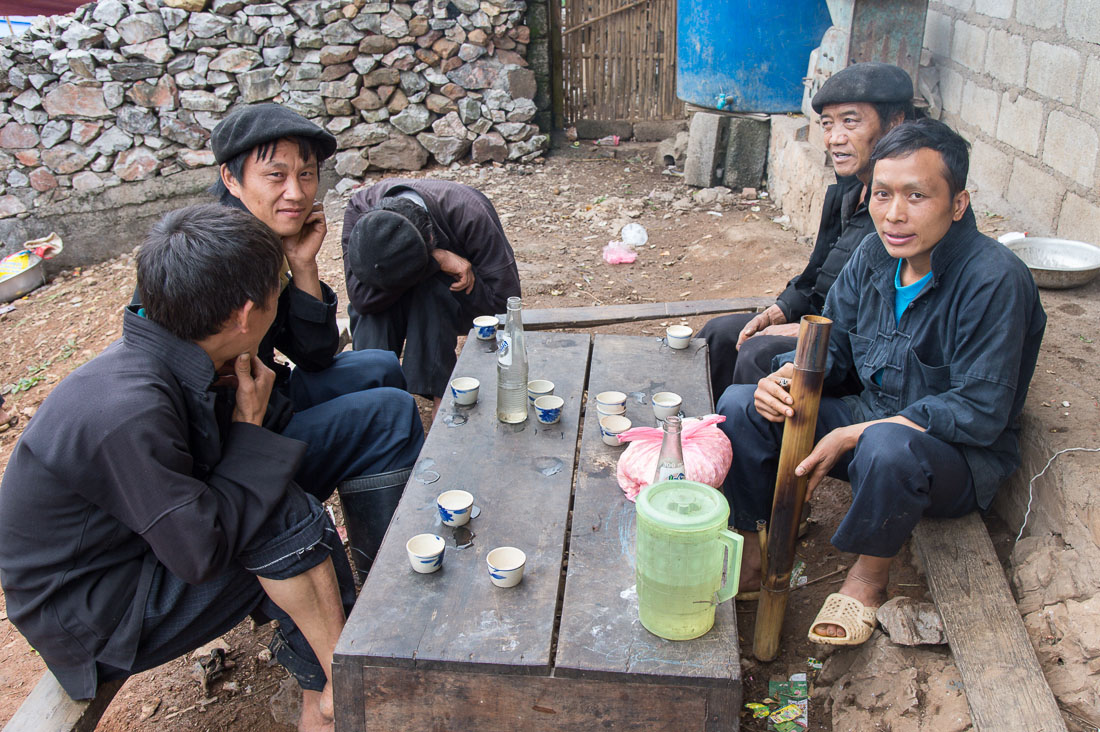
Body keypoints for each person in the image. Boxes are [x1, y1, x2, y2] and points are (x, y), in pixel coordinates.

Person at [0, 205, 355, 731]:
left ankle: (328, 685)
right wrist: (250, 431)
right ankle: (345, 687)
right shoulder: (130, 411)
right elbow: (201, 552)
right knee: (284, 516)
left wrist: (251, 418)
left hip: (133, 555)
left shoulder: (175, 353)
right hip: (94, 614)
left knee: (278, 502)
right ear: (244, 315)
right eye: (279, 290)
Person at [717, 119, 1045, 646]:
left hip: (949, 460)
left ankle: (867, 580)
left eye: (918, 196)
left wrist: (859, 432)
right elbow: (839, 351)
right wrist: (786, 380)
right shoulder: (874, 254)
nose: (895, 214)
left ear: (957, 203)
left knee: (889, 445)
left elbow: (981, 410)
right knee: (741, 405)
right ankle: (754, 557)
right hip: (871, 419)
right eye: (884, 194)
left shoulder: (994, 279)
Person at [202, 103, 426, 580]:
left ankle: (371, 520)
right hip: (234, 443)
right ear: (231, 178)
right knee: (390, 412)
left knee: (380, 365)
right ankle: (386, 579)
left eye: (307, 175)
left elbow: (316, 355)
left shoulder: (266, 241)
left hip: (270, 396)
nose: (296, 193)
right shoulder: (213, 261)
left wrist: (302, 265)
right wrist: (251, 430)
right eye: (276, 175)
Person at [699, 62, 915, 394]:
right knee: (719, 335)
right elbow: (816, 273)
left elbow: (879, 321)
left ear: (895, 123)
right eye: (827, 125)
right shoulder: (846, 191)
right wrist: (781, 310)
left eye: (850, 121)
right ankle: (698, 433)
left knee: (758, 354)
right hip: (817, 322)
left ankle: (749, 437)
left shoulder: (903, 215)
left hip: (850, 352)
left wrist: (806, 332)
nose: (834, 138)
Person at [340, 178, 521, 412]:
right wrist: (437, 260)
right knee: (371, 309)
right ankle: (374, 397)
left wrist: (434, 271)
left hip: (459, 301)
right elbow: (362, 299)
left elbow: (505, 306)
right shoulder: (359, 209)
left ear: (432, 238)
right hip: (383, 302)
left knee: (432, 289)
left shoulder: (469, 212)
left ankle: (441, 398)